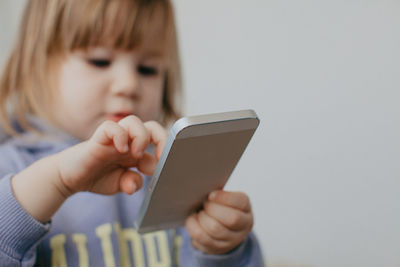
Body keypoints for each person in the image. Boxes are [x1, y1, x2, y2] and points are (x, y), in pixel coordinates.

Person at [0, 0, 265, 266]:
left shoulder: (168, 172)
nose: (128, 84)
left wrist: (224, 249)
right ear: (37, 65)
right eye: (100, 61)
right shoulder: (11, 166)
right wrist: (56, 181)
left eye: (147, 69)